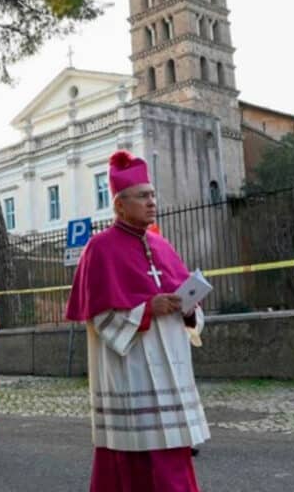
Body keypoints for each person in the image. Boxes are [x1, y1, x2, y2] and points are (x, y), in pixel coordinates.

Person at [66, 150, 209, 492]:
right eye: (143, 196)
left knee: (173, 453)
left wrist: (189, 310)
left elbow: (187, 304)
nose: (152, 202)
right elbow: (99, 318)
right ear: (119, 204)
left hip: (171, 367)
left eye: (153, 195)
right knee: (134, 461)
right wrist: (146, 309)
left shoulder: (162, 245)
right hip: (132, 372)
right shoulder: (99, 249)